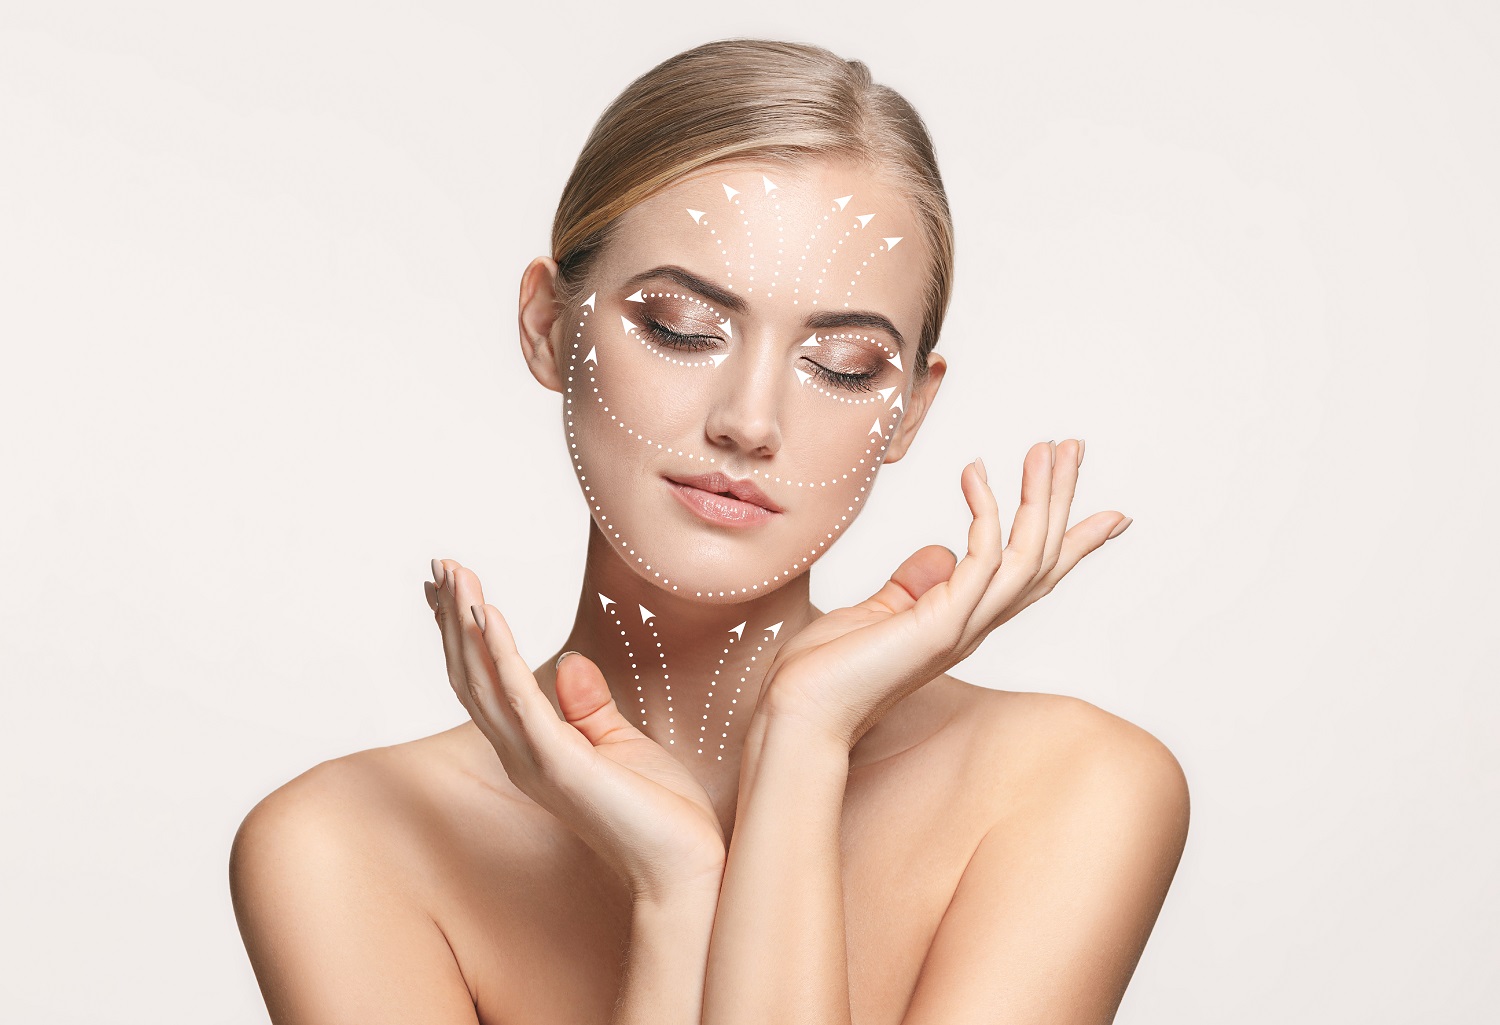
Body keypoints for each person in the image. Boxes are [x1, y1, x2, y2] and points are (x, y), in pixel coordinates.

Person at [230, 38, 1189, 1025]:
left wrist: (801, 739)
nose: (749, 419)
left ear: (908, 410)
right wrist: (677, 891)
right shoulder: (346, 845)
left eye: (846, 364)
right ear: (549, 325)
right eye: (682, 325)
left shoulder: (1069, 789)